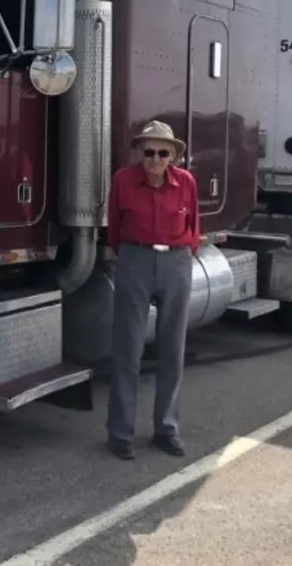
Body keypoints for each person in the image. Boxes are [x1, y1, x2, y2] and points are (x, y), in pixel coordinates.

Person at [104, 120, 200, 461]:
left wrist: (184, 256)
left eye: (162, 152)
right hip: (135, 261)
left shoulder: (186, 182)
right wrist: (130, 256)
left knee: (172, 351)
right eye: (149, 152)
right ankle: (120, 434)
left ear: (173, 155)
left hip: (176, 264)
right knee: (127, 350)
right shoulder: (123, 181)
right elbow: (114, 227)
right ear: (140, 153)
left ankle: (166, 429)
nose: (155, 159)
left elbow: (193, 226)